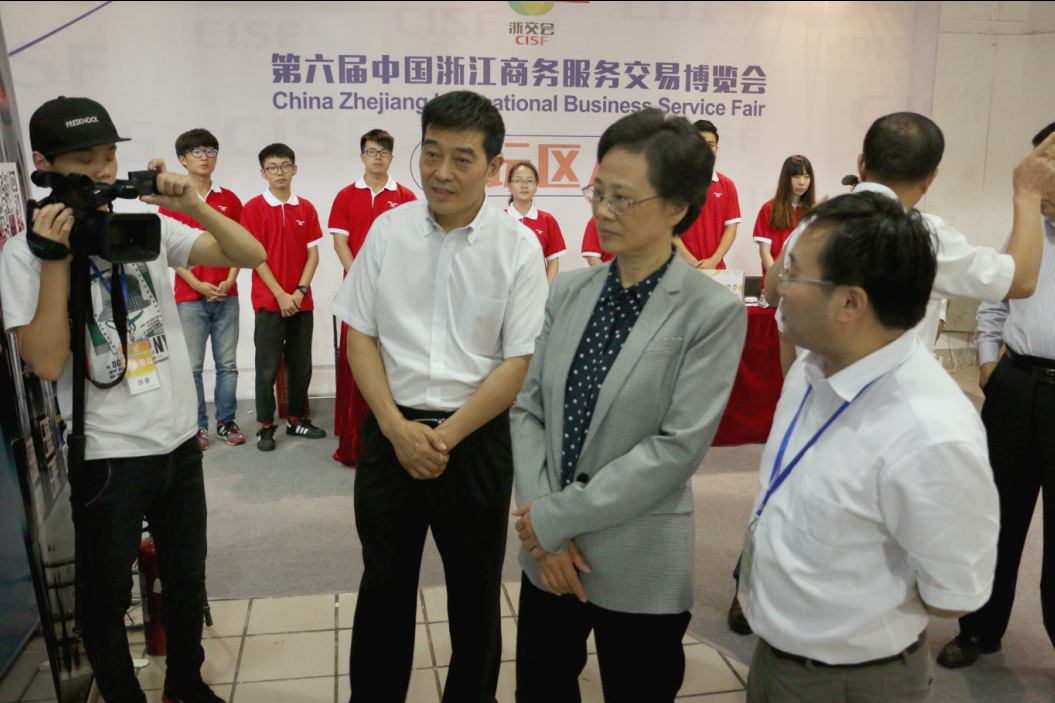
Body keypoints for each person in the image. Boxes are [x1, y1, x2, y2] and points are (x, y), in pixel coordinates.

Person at [0, 96, 265, 703]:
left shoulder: (145, 225)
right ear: (43, 163)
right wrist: (56, 260)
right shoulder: (22, 254)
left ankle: (186, 685)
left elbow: (249, 255)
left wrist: (192, 204)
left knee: (186, 576)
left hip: (179, 439)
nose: (101, 170)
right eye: (84, 159)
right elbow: (46, 362)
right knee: (105, 595)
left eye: (109, 155)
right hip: (108, 453)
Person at [511, 108, 747, 703]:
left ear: (676, 207)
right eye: (598, 193)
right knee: (540, 687)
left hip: (638, 554)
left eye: (623, 198)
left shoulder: (710, 311)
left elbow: (676, 447)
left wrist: (554, 520)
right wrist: (544, 529)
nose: (603, 211)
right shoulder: (570, 290)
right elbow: (529, 410)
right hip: (549, 556)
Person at [331, 90, 548, 702]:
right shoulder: (388, 231)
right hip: (390, 434)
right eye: (431, 154)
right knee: (384, 586)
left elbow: (519, 361)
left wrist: (442, 437)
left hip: (474, 440)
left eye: (462, 158)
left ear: (494, 166)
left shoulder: (517, 246)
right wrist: (396, 428)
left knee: (474, 595)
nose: (442, 172)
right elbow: (360, 335)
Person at [740, 192, 1000, 703]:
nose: (777, 287)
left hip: (853, 680)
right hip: (776, 654)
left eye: (793, 273)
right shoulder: (812, 366)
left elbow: (953, 593)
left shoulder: (929, 432)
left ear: (850, 303)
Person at [765, 112, 1055, 354]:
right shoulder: (925, 236)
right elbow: (1021, 281)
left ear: (862, 164)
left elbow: (772, 293)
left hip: (816, 393)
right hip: (887, 396)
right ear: (930, 178)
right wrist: (1027, 192)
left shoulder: (815, 221)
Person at [938, 121, 1055, 670]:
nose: (1036, 178)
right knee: (994, 518)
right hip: (1016, 387)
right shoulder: (1027, 231)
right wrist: (989, 365)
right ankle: (979, 630)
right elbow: (994, 302)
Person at [328, 129, 416, 468]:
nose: (377, 157)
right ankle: (355, 441)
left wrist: (390, 284)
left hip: (395, 295)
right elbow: (340, 243)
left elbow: (412, 247)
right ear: (362, 156)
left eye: (383, 152)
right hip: (358, 293)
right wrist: (362, 280)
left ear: (391, 157)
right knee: (358, 362)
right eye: (371, 151)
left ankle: (396, 436)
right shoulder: (346, 195)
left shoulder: (406, 196)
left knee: (394, 361)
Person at [160, 128, 245, 450]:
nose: (205, 157)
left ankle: (226, 422)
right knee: (192, 367)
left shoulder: (229, 199)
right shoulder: (173, 202)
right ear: (182, 159)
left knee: (228, 366)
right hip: (189, 298)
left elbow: (242, 244)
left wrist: (231, 279)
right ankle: (197, 426)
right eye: (197, 152)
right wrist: (195, 282)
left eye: (211, 151)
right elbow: (167, 250)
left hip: (227, 295)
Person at [241, 143, 326, 451]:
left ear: (294, 169)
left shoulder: (306, 208)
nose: (280, 172)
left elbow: (313, 254)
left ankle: (296, 420)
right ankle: (266, 426)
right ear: (263, 173)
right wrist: (280, 294)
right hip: (269, 301)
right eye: (273, 167)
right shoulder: (253, 209)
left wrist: (299, 291)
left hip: (301, 302)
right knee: (266, 368)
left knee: (301, 365)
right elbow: (255, 257)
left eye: (285, 166)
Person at [674, 119, 741, 269]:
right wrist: (689, 260)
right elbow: (668, 228)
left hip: (715, 268)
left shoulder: (727, 185)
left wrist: (714, 260)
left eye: (710, 145)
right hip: (679, 267)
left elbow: (731, 227)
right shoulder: (675, 183)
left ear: (716, 148)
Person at [505, 161, 566, 284]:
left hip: (536, 290)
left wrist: (547, 291)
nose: (524, 185)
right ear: (509, 186)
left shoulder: (547, 220)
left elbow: (553, 260)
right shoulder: (499, 220)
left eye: (530, 180)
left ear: (536, 186)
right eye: (518, 180)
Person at [754, 155, 815, 275]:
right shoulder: (769, 209)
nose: (802, 182)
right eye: (796, 177)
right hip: (776, 279)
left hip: (804, 280)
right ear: (786, 178)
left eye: (806, 177)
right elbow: (765, 252)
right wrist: (778, 278)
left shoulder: (813, 211)